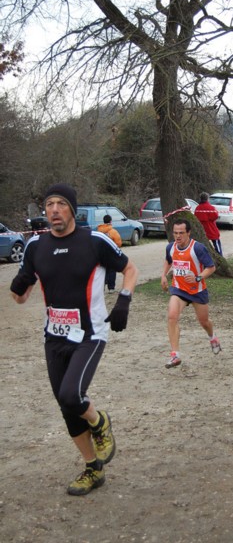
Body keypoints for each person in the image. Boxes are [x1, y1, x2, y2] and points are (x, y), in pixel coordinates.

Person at [10, 183, 138, 496]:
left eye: (60, 204)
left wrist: (123, 300)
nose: (53, 209)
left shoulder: (95, 241)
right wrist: (19, 285)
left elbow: (130, 269)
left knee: (71, 394)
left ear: (72, 209)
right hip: (54, 336)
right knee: (67, 407)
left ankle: (100, 422)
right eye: (49, 204)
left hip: (90, 334)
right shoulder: (35, 247)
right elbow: (20, 297)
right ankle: (93, 469)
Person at [161, 218, 221, 368]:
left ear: (189, 233)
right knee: (172, 316)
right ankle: (175, 355)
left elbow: (211, 267)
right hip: (178, 289)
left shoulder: (198, 248)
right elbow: (169, 260)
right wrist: (164, 275)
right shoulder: (170, 247)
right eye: (175, 233)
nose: (178, 236)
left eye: (181, 233)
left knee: (204, 322)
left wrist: (198, 277)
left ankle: (212, 337)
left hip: (197, 291)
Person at [97, 214, 123, 293]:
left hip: (101, 255)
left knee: (102, 270)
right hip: (111, 254)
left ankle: (102, 287)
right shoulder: (113, 231)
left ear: (103, 221)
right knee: (112, 270)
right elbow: (118, 243)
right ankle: (111, 288)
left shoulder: (98, 231)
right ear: (110, 221)